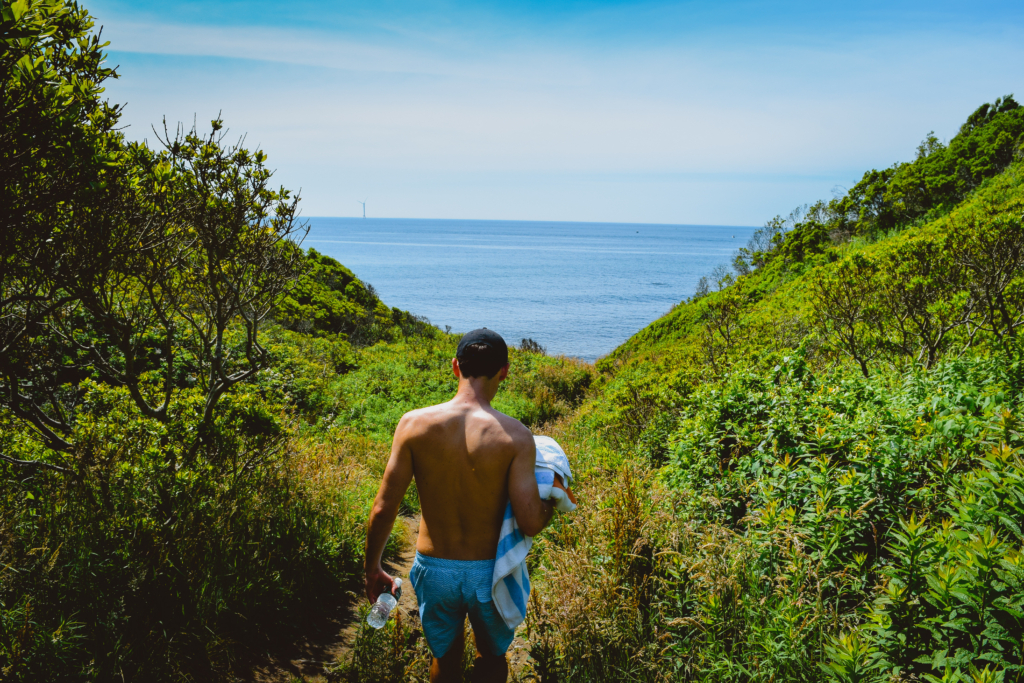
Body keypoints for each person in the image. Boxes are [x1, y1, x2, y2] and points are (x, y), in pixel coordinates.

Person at [364, 328, 555, 683]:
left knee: (445, 658)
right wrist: (552, 502)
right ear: (504, 372)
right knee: (492, 658)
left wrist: (373, 568)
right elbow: (530, 521)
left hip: (435, 569)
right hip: (489, 571)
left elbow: (382, 509)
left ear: (455, 366)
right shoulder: (516, 437)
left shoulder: (413, 424)